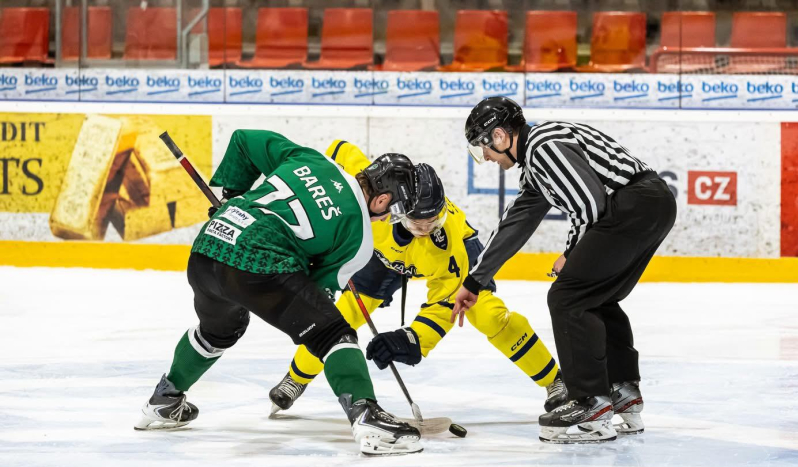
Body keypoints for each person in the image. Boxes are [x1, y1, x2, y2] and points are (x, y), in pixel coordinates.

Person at [134, 129, 425, 456]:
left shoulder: (312, 159)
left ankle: (164, 399)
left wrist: (233, 197)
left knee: (218, 331)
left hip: (209, 245)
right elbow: (314, 292)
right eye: (392, 211)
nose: (387, 218)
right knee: (334, 333)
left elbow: (243, 140)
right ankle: (368, 417)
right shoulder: (360, 239)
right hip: (259, 262)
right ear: (382, 199)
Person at [268, 140, 568, 417]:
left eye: (433, 220)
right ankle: (295, 379)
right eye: (418, 221)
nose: (426, 228)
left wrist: (412, 339)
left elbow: (446, 301)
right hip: (380, 256)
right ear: (395, 208)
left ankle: (554, 380)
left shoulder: (445, 243)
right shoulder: (376, 197)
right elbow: (338, 150)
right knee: (342, 314)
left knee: (489, 315)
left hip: (455, 262)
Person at [453, 97, 677, 444]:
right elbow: (516, 223)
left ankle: (590, 401)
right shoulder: (536, 161)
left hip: (635, 205)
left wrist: (571, 253)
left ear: (499, 135)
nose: (486, 158)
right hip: (648, 204)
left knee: (567, 297)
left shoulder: (543, 147)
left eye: (484, 147)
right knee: (595, 296)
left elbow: (590, 204)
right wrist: (474, 281)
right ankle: (622, 390)